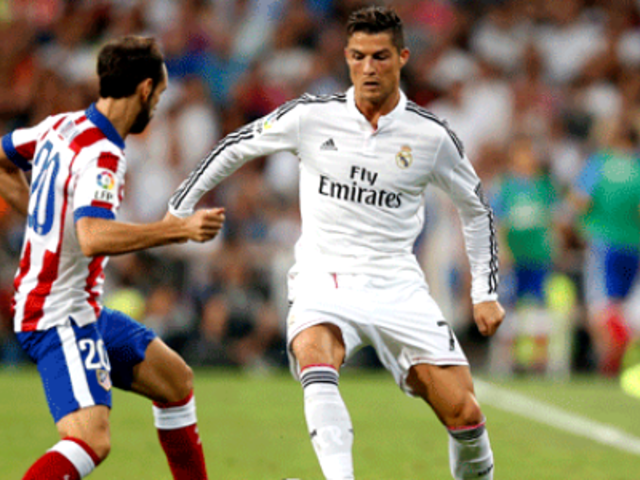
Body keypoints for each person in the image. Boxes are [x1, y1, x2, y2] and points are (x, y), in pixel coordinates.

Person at [169, 6, 504, 480]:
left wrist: (484, 292)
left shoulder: (431, 137)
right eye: (358, 56)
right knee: (315, 351)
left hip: (397, 285)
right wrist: (179, 208)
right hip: (324, 277)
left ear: (402, 58)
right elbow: (235, 146)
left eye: (380, 56)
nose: (369, 68)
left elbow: (476, 209)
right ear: (347, 58)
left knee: (465, 414)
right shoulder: (311, 117)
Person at [0, 36, 225, 480]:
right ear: (144, 89)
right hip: (56, 313)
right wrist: (176, 229)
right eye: (159, 95)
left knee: (175, 382)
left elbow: (3, 158)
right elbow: (92, 237)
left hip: (80, 308)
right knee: (90, 440)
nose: (157, 107)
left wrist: (45, 215)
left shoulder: (60, 126)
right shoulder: (103, 154)